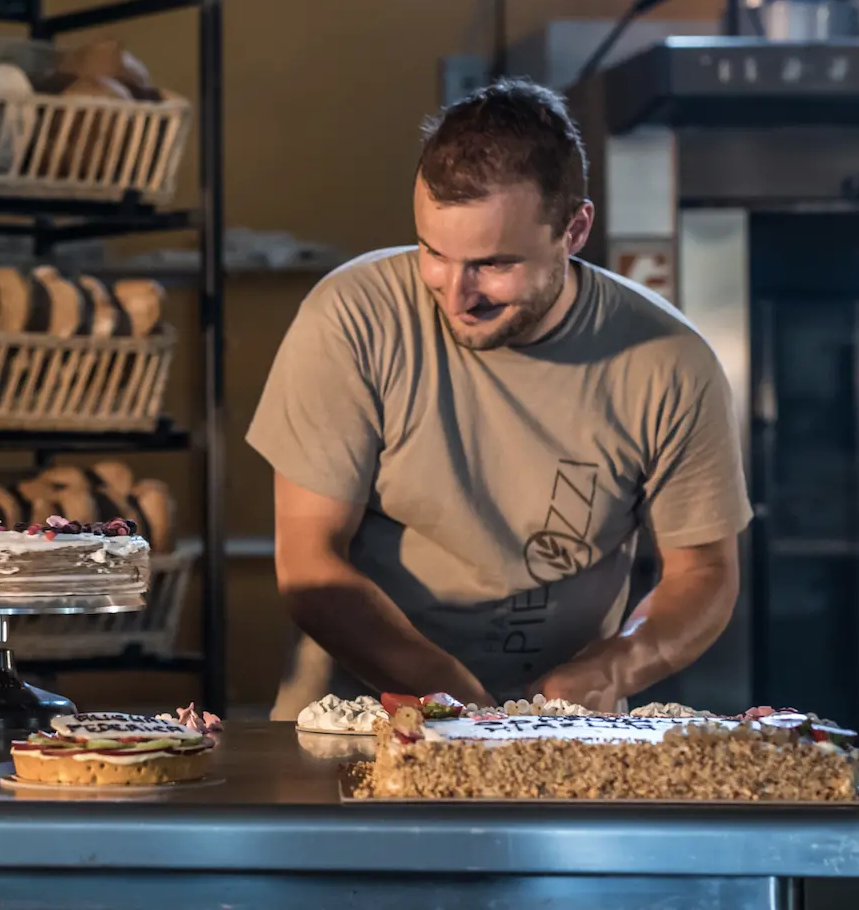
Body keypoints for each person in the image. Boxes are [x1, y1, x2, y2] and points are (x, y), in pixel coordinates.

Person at [250, 78, 749, 716]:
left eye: (493, 264)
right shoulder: (351, 319)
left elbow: (702, 572)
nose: (455, 295)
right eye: (433, 252)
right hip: (357, 725)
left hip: (563, 731)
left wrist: (610, 667)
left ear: (574, 230)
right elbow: (309, 562)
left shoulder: (671, 363)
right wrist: (446, 691)